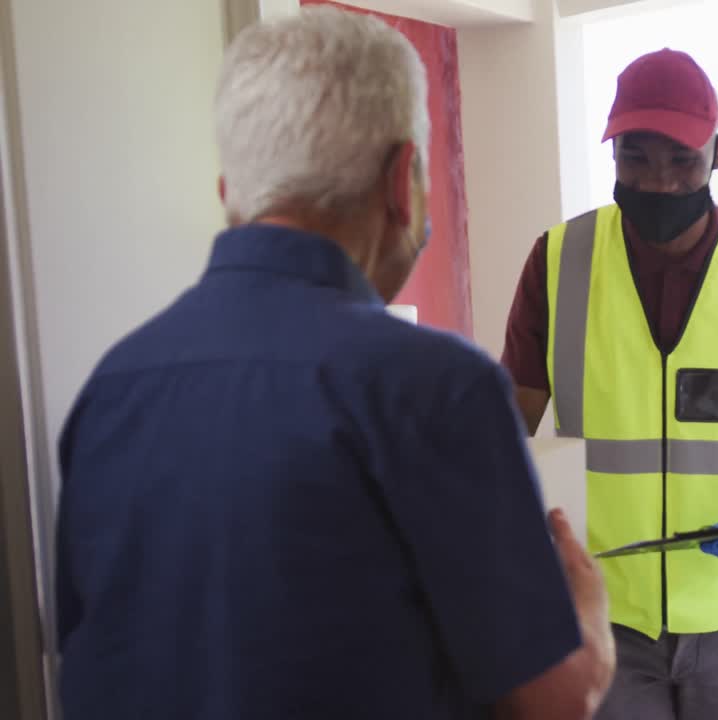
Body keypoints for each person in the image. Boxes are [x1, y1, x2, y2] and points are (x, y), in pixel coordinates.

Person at [55, 8, 613, 719]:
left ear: (232, 195)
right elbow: (556, 700)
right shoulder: (436, 387)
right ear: (401, 179)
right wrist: (588, 612)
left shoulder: (111, 389)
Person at [501, 48, 718, 719]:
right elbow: (509, 431)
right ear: (614, 155)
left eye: (682, 159)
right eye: (636, 157)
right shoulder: (558, 263)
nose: (657, 183)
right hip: (603, 612)